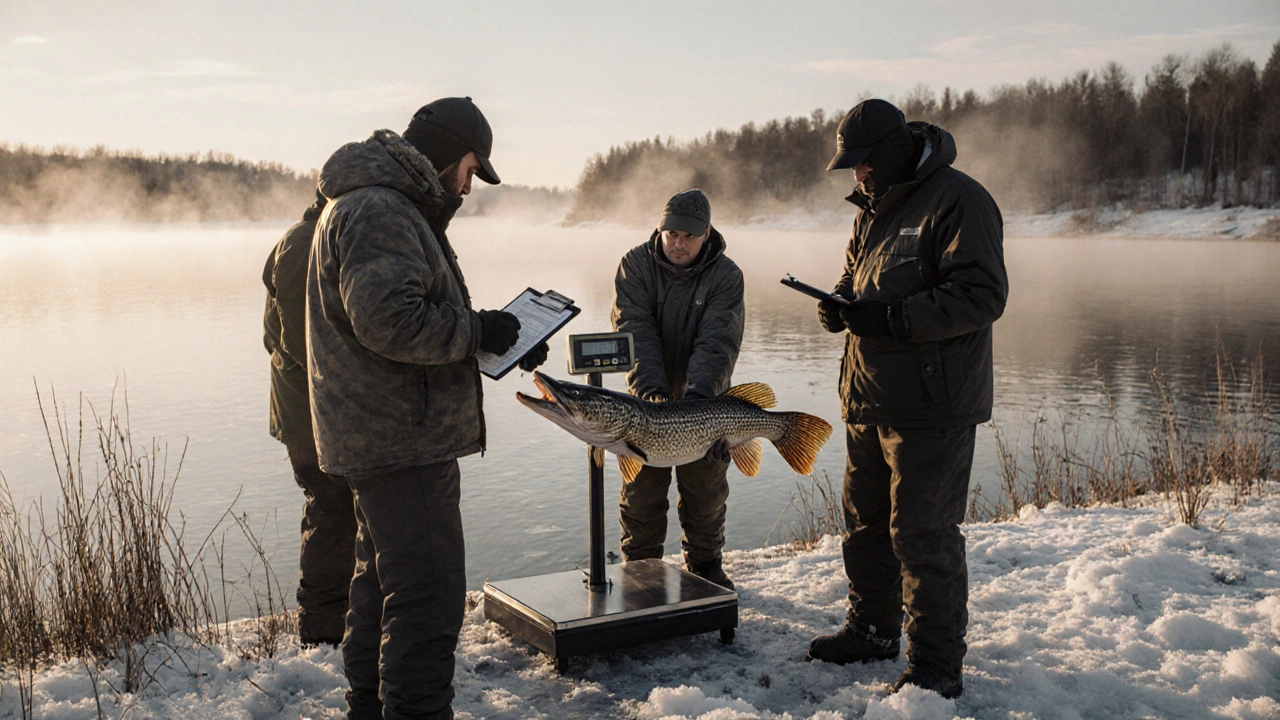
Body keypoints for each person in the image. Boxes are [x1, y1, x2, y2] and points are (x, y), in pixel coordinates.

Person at [307, 97, 547, 720]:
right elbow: (391, 322)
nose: (468, 187)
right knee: (429, 598)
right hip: (401, 441)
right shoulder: (381, 209)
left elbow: (401, 318)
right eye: (470, 169)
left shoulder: (378, 203)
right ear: (445, 152)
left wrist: (494, 338)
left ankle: (368, 708)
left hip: (383, 435)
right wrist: (479, 329)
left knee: (382, 588)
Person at [805, 99, 1008, 700]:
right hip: (869, 396)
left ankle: (936, 668)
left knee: (923, 535)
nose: (857, 172)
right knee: (864, 525)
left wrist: (893, 317)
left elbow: (981, 294)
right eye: (852, 164)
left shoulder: (959, 199)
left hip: (932, 406)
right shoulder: (873, 206)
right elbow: (857, 277)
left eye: (864, 161)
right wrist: (839, 304)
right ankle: (871, 630)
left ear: (894, 150)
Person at [610, 188, 745, 588]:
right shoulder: (635, 264)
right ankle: (640, 570)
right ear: (660, 230)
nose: (679, 243)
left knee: (706, 490)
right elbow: (634, 330)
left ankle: (705, 567)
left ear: (707, 234)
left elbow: (718, 342)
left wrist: (699, 401)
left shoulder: (726, 275)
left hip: (706, 400)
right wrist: (652, 395)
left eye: (689, 236)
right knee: (641, 493)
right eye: (672, 234)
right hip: (645, 403)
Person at [262, 189, 355, 647]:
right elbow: (304, 342)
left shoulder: (315, 240)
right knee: (332, 513)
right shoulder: (304, 245)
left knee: (340, 513)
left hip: (315, 411)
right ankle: (322, 634)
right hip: (311, 416)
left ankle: (339, 626)